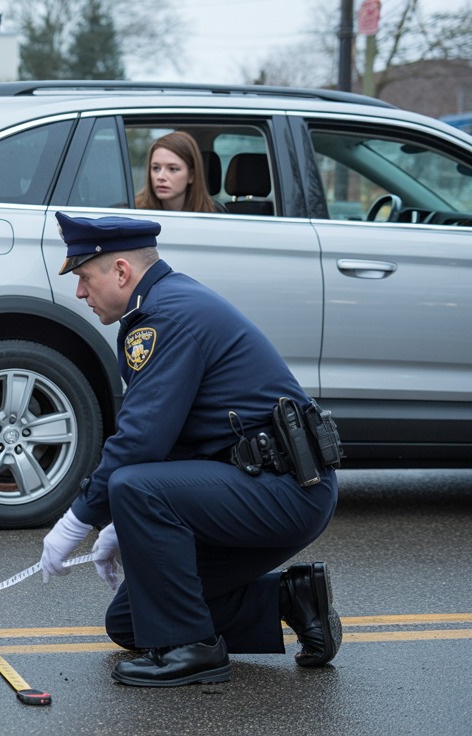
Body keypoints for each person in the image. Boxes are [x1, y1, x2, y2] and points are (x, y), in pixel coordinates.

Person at [38, 211, 342, 687]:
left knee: (135, 487)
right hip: (263, 485)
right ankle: (293, 599)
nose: (80, 292)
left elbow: (140, 440)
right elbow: (173, 435)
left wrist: (77, 520)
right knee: (132, 623)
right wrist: (119, 522)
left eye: (83, 277)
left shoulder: (166, 315)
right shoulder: (164, 303)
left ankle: (193, 650)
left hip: (284, 491)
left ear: (120, 271)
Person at [134, 131, 222, 213]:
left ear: (191, 175)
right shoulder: (133, 211)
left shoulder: (213, 215)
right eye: (156, 168)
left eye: (172, 169)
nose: (160, 177)